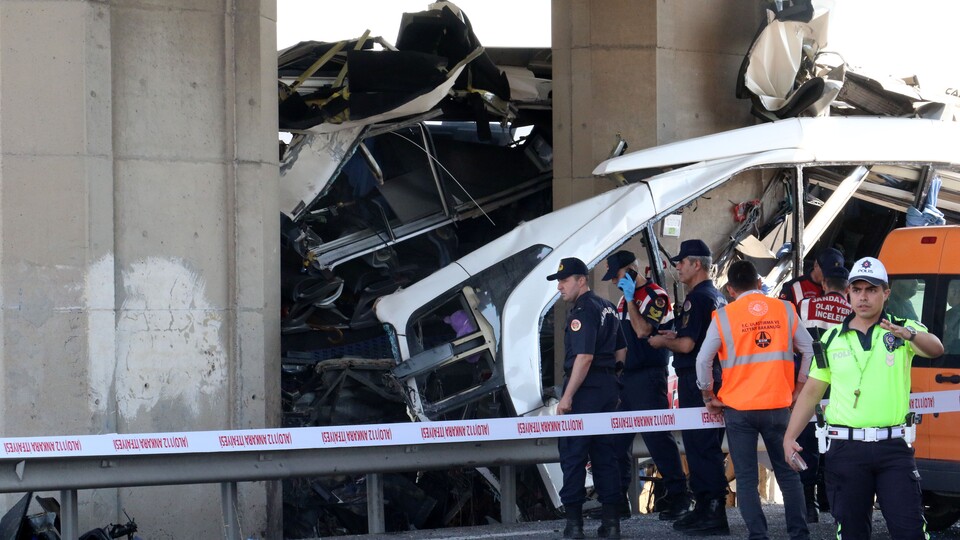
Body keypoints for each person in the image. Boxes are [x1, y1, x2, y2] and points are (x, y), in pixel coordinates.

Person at [783, 257, 944, 539]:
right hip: (846, 448)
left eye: (871, 290)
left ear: (886, 293)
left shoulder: (902, 328)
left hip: (893, 448)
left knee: (910, 531)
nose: (863, 297)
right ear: (848, 293)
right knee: (852, 532)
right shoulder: (831, 338)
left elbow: (936, 349)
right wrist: (789, 437)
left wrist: (909, 335)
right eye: (857, 290)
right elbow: (812, 391)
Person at [696, 260, 812, 540]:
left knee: (746, 478)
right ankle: (799, 534)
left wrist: (708, 394)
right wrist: (798, 389)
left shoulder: (723, 316)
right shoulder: (785, 310)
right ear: (760, 284)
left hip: (739, 410)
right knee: (788, 474)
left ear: (731, 289)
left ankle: (758, 535)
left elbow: (703, 360)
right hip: (779, 406)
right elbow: (809, 350)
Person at [602, 250, 692, 520]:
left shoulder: (656, 296)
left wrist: (631, 299)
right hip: (625, 379)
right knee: (617, 441)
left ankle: (679, 496)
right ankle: (617, 502)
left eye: (618, 275)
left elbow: (642, 331)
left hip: (649, 376)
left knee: (657, 439)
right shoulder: (622, 300)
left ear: (631, 270)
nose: (616, 282)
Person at [648, 239, 729, 536]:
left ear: (697, 265)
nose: (677, 267)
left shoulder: (699, 298)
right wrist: (676, 333)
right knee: (703, 445)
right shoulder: (716, 296)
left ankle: (713, 512)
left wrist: (662, 341)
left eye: (681, 262)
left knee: (700, 446)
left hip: (699, 380)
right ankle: (705, 507)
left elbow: (687, 344)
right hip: (710, 377)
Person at [547, 256, 628, 539]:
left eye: (564, 281)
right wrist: (614, 382)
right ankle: (611, 524)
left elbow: (584, 357)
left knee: (573, 454)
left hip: (586, 390)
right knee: (605, 454)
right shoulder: (607, 306)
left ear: (581, 280)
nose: (559, 287)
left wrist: (567, 397)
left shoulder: (582, 311)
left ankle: (574, 525)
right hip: (606, 388)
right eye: (558, 281)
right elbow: (621, 351)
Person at [794, 261, 852, 523]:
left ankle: (809, 505)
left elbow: (797, 345)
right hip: (841, 385)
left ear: (824, 284)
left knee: (808, 441)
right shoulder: (853, 312)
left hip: (812, 383)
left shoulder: (807, 305)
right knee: (836, 438)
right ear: (848, 288)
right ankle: (829, 498)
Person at [779, 248, 845, 306]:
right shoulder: (792, 287)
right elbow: (782, 315)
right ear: (816, 265)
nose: (829, 276)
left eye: (835, 273)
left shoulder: (845, 289)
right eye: (826, 272)